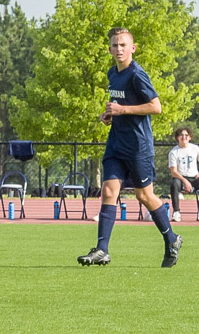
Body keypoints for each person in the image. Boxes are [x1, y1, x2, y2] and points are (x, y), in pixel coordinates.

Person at [78, 27, 182, 268]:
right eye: (115, 45)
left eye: (123, 45)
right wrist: (110, 115)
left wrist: (123, 110)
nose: (119, 49)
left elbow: (156, 107)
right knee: (108, 191)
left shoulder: (137, 74)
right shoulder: (112, 73)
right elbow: (119, 104)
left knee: (143, 195)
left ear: (132, 48)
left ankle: (172, 239)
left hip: (138, 147)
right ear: (109, 49)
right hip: (116, 144)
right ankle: (102, 250)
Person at [167, 126, 199, 221]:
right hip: (180, 178)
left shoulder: (195, 148)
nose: (184, 137)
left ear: (190, 137)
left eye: (186, 135)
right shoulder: (173, 152)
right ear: (177, 138)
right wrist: (184, 181)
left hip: (194, 178)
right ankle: (176, 212)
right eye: (181, 135)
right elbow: (174, 172)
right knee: (174, 184)